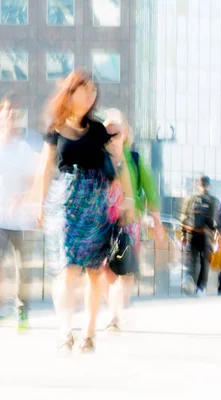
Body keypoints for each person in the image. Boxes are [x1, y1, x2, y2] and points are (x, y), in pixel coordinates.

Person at [37, 69, 133, 353]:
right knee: (67, 269)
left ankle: (89, 334)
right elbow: (45, 167)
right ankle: (65, 330)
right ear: (71, 91)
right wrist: (39, 203)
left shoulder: (100, 130)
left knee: (93, 271)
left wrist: (126, 201)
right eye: (85, 90)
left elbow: (118, 166)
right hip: (65, 203)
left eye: (94, 92)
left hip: (96, 205)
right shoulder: (54, 129)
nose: (91, 96)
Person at [101, 109, 165, 332]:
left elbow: (149, 190)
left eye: (116, 133)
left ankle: (115, 313)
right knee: (105, 271)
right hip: (103, 222)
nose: (111, 138)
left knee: (125, 271)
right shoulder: (99, 158)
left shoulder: (135, 159)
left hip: (129, 222)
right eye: (107, 134)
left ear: (126, 134)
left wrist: (157, 223)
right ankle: (113, 312)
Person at [0, 92, 39, 330]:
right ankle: (2, 306)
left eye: (15, 113)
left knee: (23, 268)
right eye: (7, 111)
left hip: (21, 220)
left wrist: (22, 197)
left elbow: (34, 181)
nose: (11, 116)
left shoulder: (24, 148)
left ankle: (22, 310)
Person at [180, 176, 219, 296]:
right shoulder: (212, 200)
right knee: (204, 263)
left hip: (191, 233)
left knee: (191, 260)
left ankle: (189, 278)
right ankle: (200, 288)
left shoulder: (190, 198)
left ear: (198, 184)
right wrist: (215, 238)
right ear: (208, 185)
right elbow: (215, 221)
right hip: (205, 235)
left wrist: (183, 235)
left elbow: (183, 217)